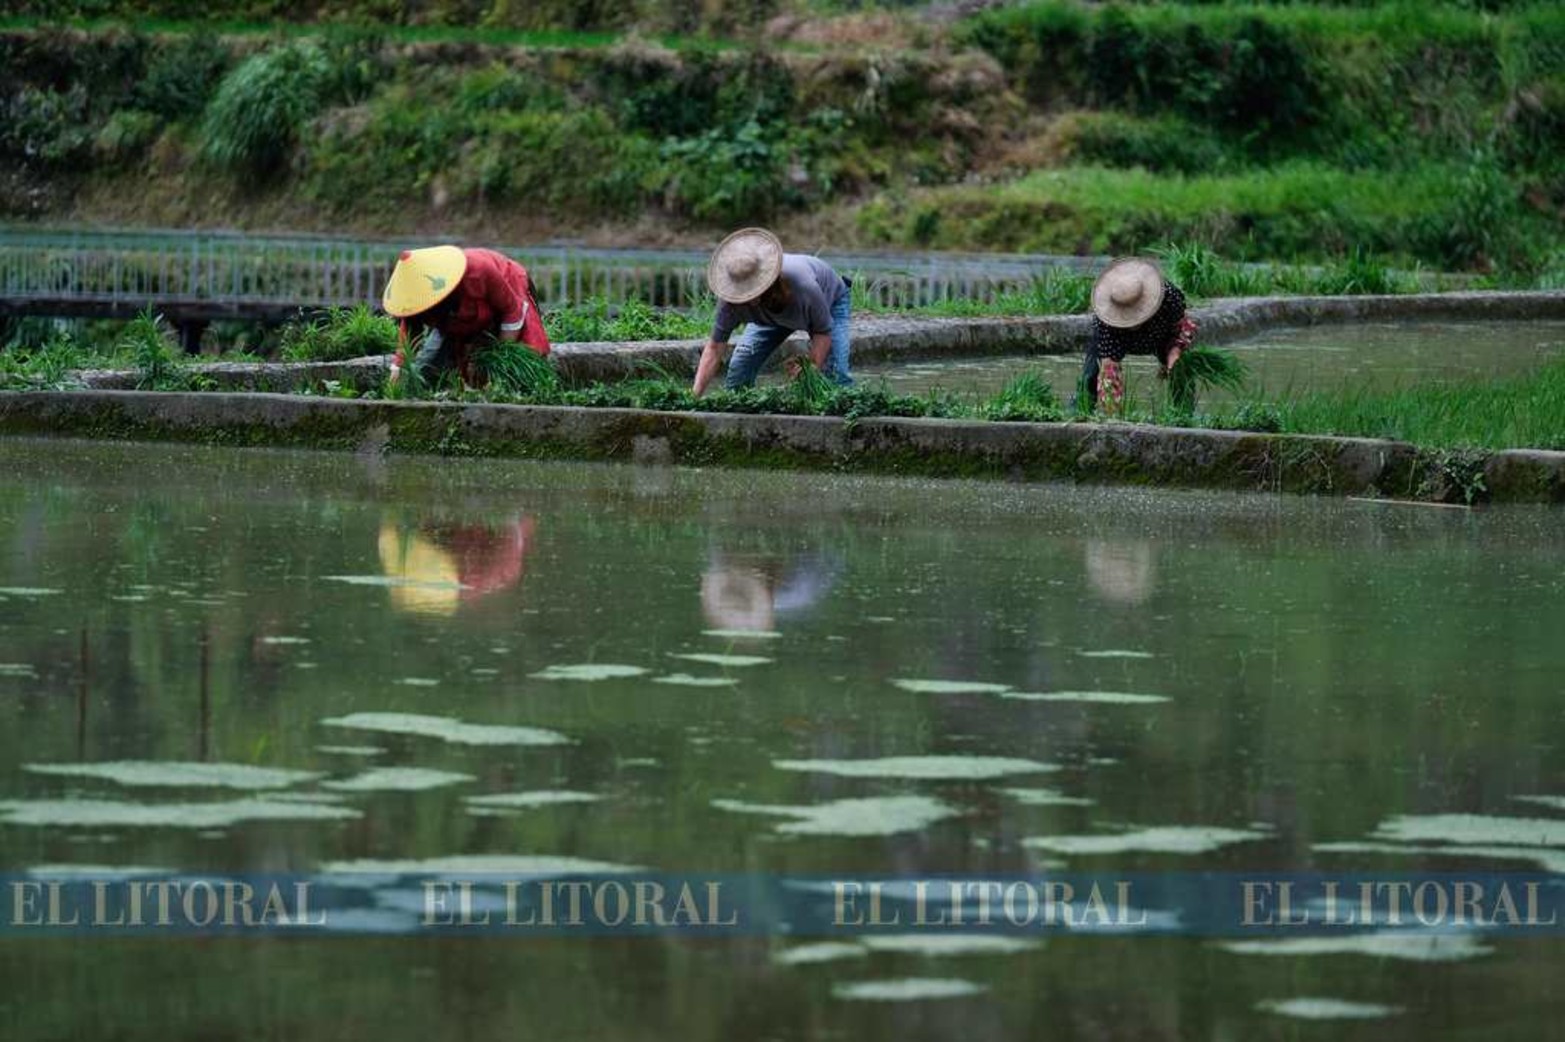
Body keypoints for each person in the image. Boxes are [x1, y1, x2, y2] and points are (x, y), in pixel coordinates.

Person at [692, 228, 853, 396]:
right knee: (740, 370)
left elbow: (823, 331)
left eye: (750, 290)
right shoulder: (730, 302)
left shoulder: (803, 286)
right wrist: (694, 397)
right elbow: (715, 347)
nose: (745, 297)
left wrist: (810, 368)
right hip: (769, 318)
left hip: (829, 302)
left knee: (835, 377)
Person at [381, 245, 550, 387]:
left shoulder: (478, 271)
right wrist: (398, 369)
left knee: (518, 364)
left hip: (507, 293)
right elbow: (410, 331)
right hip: (459, 316)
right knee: (428, 366)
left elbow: (511, 311)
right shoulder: (418, 296)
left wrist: (496, 354)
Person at [1079, 257, 1197, 415]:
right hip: (1119, 337)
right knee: (1091, 376)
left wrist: (1175, 352)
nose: (1133, 322)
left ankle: (1184, 415)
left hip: (1161, 335)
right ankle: (1080, 412)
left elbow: (1183, 326)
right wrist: (1112, 415)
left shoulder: (1168, 295)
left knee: (1181, 368)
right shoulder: (1106, 320)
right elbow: (1109, 371)